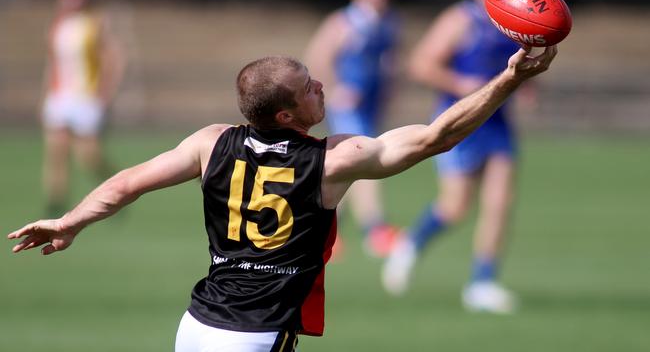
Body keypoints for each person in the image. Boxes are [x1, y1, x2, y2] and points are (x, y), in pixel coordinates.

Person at [9, 48, 556, 351]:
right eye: (309, 87)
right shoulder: (331, 162)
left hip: (196, 326)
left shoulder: (209, 142)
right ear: (288, 116)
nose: (321, 86)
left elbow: (125, 183)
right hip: (255, 334)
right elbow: (437, 137)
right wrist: (508, 78)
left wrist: (71, 221)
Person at [382, 0, 534, 314]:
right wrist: (459, 84)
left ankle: (482, 283)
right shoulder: (462, 19)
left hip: (498, 122)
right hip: (459, 120)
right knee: (455, 207)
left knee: (499, 202)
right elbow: (421, 64)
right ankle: (410, 243)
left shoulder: (517, 21)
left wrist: (528, 83)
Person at [304, 0, 399, 257]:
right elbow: (317, 58)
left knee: (347, 166)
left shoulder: (389, 22)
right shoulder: (343, 22)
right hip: (347, 107)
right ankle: (376, 230)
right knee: (365, 158)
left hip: (371, 106)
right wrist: (335, 89)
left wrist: (389, 93)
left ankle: (322, 229)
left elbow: (388, 62)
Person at [41, 0, 125, 217]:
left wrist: (106, 93)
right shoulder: (58, 26)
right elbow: (53, 63)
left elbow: (113, 60)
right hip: (60, 96)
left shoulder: (94, 24)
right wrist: (46, 93)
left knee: (88, 155)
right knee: (56, 151)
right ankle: (56, 203)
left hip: (86, 98)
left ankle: (117, 191)